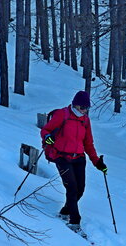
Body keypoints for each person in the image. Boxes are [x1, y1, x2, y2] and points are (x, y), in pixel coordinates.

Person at [40, 91, 107, 233]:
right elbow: (46, 130)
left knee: (80, 189)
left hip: (79, 159)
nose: (84, 111)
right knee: (72, 188)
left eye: (87, 108)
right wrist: (47, 138)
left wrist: (97, 162)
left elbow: (88, 143)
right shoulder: (62, 115)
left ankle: (65, 211)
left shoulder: (85, 120)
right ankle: (75, 221)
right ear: (75, 105)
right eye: (82, 107)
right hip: (62, 157)